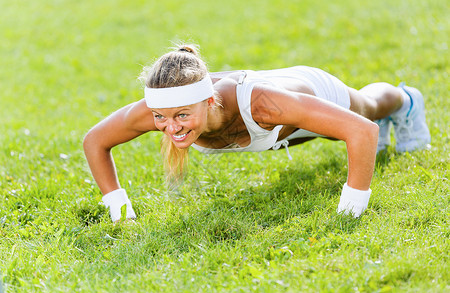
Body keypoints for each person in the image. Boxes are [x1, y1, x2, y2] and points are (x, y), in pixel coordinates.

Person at [83, 44, 431, 222]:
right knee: (330, 133)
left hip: (307, 94)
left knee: (368, 108)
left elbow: (362, 131)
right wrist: (119, 208)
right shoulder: (163, 108)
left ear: (208, 101)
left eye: (181, 116)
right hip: (277, 131)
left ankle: (407, 101)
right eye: (161, 116)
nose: (170, 128)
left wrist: (352, 209)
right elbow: (95, 141)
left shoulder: (263, 105)